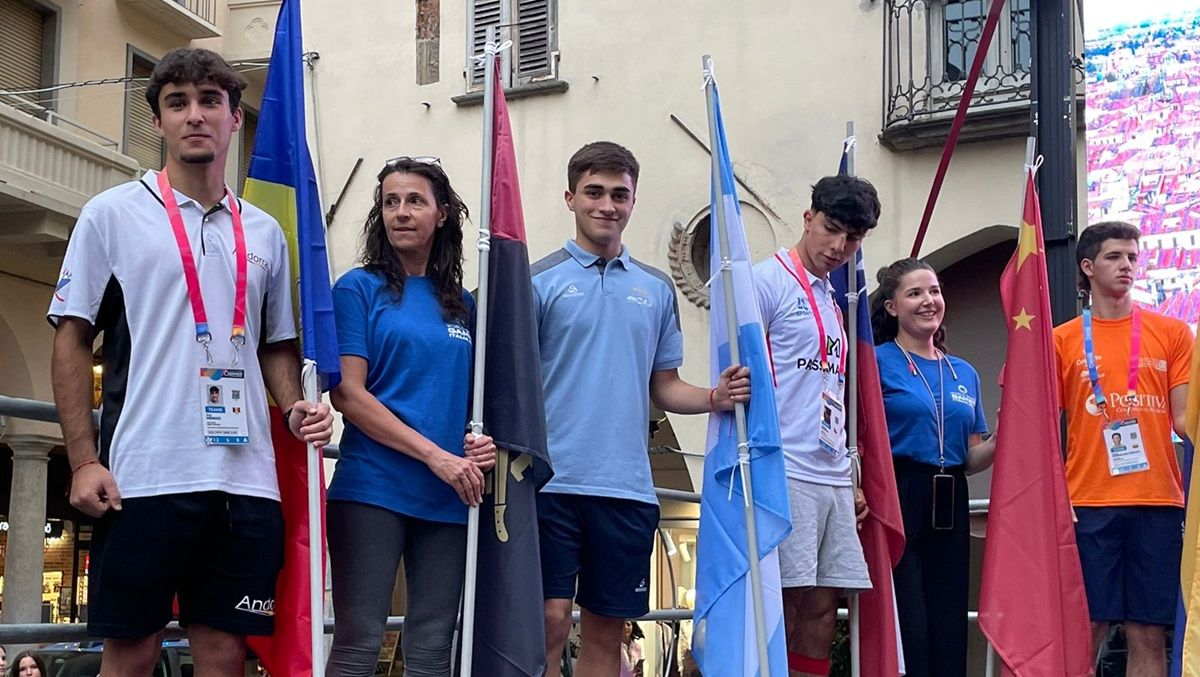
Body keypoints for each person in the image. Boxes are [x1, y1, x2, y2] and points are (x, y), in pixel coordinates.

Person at [48, 48, 333, 675]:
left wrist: (296, 409)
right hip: (141, 476)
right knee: (131, 650)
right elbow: (71, 338)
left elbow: (275, 346)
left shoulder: (264, 232)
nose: (194, 115)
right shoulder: (110, 216)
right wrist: (83, 459)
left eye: (210, 102)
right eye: (177, 103)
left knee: (226, 652)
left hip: (245, 482)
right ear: (159, 121)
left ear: (235, 118)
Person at [533, 141, 749, 677]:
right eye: (595, 192)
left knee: (609, 629)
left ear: (633, 200)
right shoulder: (536, 280)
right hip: (549, 482)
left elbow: (665, 385)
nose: (607, 204)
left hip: (626, 486)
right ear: (570, 198)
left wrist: (713, 399)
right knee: (549, 620)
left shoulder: (655, 287)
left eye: (619, 194)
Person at [325, 158, 495, 677]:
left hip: (449, 495)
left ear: (442, 214)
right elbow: (347, 396)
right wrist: (435, 456)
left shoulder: (463, 305)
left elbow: (472, 403)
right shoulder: (356, 289)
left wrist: (478, 443)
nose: (401, 212)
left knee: (431, 648)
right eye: (390, 202)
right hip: (371, 489)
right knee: (358, 641)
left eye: (415, 201)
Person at [752, 175, 879, 677]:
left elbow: (831, 393)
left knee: (825, 605)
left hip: (830, 473)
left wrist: (851, 474)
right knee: (782, 597)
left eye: (852, 238)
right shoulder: (767, 281)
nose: (838, 246)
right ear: (808, 218)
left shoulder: (833, 297)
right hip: (784, 470)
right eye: (831, 229)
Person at [1053, 221, 1191, 674]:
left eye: (1133, 256)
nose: (1127, 266)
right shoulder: (1060, 340)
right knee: (1087, 627)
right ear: (1088, 267)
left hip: (1158, 501)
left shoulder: (1173, 333)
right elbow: (1036, 428)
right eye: (1115, 257)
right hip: (1089, 502)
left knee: (1149, 633)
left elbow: (1187, 420)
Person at [871, 257, 994, 677]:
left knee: (949, 618)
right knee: (910, 620)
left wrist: (1006, 436)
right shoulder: (876, 361)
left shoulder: (964, 372)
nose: (929, 301)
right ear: (892, 307)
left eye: (935, 291)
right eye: (916, 293)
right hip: (900, 491)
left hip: (951, 494)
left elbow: (971, 456)